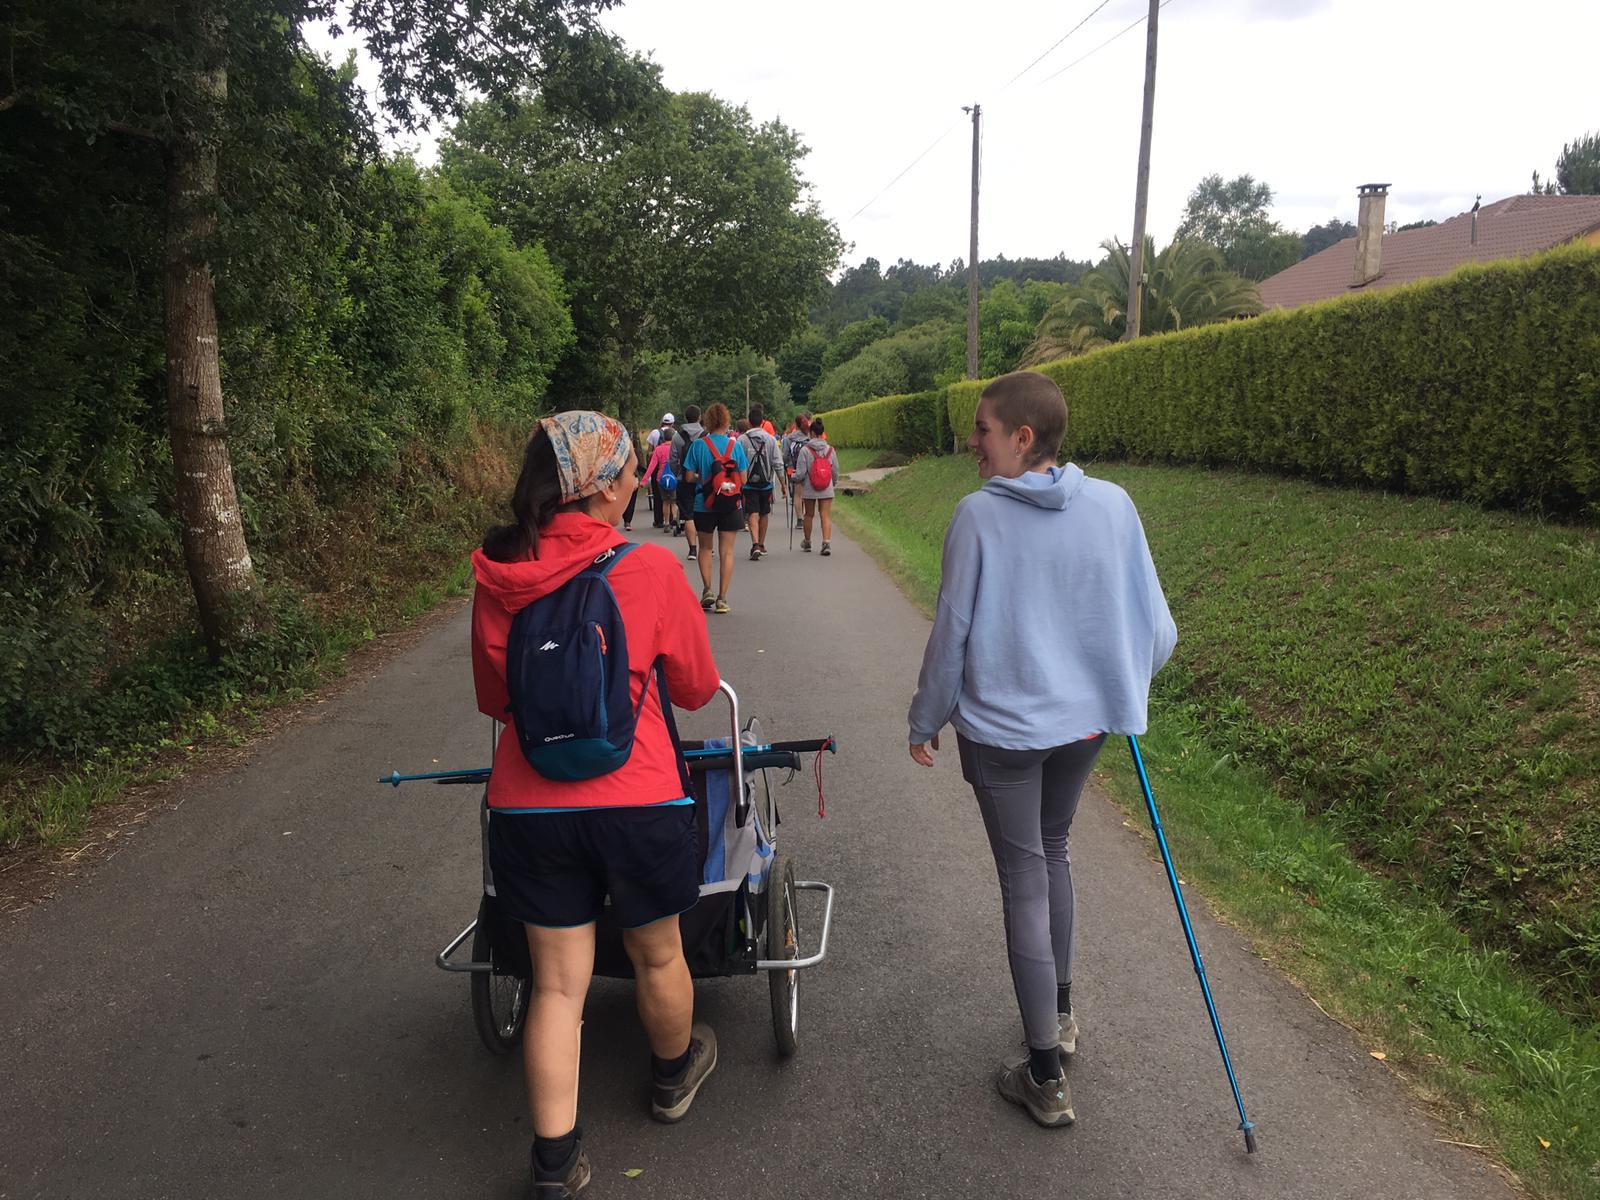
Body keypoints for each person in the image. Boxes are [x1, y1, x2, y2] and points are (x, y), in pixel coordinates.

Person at [905, 372, 1176, 1130]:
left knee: (1025, 875)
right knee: (1052, 852)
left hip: (1003, 735)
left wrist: (924, 721)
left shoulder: (978, 518)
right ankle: (1058, 1018)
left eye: (984, 429)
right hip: (1084, 729)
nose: (972, 442)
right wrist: (1113, 686)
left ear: (1023, 438)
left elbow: (951, 633)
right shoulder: (1114, 505)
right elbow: (1158, 631)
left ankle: (1046, 1074)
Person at [471, 411, 723, 1196]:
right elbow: (694, 686)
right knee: (657, 951)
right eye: (629, 470)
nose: (636, 481)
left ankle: (554, 1164)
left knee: (555, 986)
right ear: (605, 485)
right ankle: (673, 1075)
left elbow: (494, 700)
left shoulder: (499, 573)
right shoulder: (646, 570)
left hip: (528, 805)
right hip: (638, 800)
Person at [680, 402, 748, 614]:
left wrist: (705, 478)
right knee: (727, 551)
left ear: (707, 421)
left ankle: (707, 589)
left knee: (705, 549)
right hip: (730, 504)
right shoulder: (734, 446)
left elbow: (689, 477)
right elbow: (743, 479)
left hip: (705, 503)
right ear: (726, 421)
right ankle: (722, 598)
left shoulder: (699, 446)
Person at [735, 402, 783, 561]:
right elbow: (778, 463)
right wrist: (783, 484)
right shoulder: (770, 440)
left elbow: (735, 462)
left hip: (748, 483)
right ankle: (761, 544)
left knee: (752, 513)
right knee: (764, 513)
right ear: (762, 421)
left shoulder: (741, 440)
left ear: (749, 422)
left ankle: (754, 543)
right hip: (766, 483)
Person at [792, 417, 838, 556]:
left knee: (809, 515)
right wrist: (833, 483)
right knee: (825, 515)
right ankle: (826, 542)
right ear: (822, 433)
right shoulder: (830, 449)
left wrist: (794, 478)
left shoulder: (805, 450)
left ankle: (807, 541)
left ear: (811, 433)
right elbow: (835, 470)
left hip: (810, 487)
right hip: (826, 487)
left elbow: (800, 473)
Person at [669, 405, 705, 561]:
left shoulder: (677, 437)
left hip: (684, 480)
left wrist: (679, 472)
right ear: (699, 417)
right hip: (703, 481)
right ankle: (706, 547)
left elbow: (672, 460)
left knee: (688, 516)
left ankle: (692, 550)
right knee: (704, 515)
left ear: (685, 418)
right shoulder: (706, 435)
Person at [642, 418, 676, 533]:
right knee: (674, 501)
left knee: (665, 501)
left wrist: (644, 480)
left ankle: (666, 522)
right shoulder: (676, 449)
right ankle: (674, 520)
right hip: (674, 478)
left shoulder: (658, 449)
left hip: (661, 479)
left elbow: (652, 466)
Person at [780, 415, 812, 532]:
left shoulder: (789, 438)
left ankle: (799, 519)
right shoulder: (809, 438)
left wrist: (785, 465)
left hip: (793, 469)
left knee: (797, 495)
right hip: (808, 469)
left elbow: (785, 455)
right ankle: (805, 514)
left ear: (796, 425)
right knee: (806, 493)